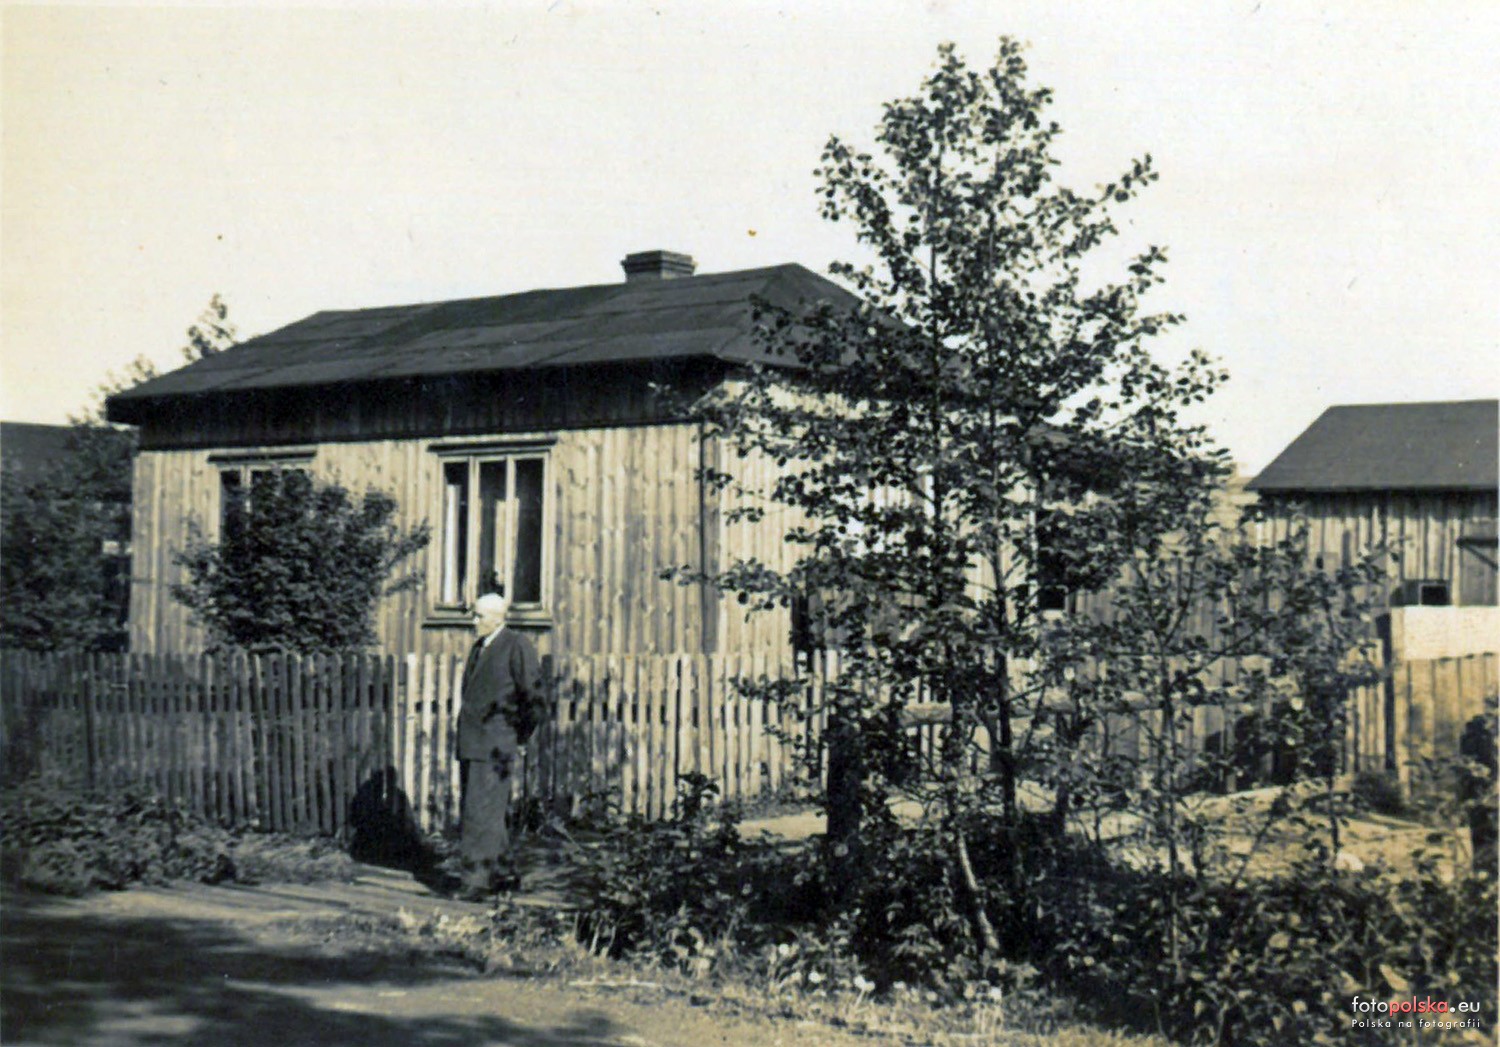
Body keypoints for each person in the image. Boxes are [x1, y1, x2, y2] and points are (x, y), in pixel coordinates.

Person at [455, 591, 545, 897]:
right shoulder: (480, 647)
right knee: (487, 812)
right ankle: (503, 874)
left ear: (497, 618)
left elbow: (534, 698)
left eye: (479, 616)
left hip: (495, 743)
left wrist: (518, 735)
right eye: (474, 614)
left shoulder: (516, 645)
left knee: (480, 813)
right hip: (473, 742)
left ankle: (476, 882)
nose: (473, 621)